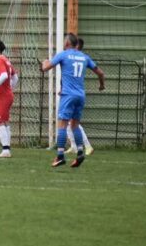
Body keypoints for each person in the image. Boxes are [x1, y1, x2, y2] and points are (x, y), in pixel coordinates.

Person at [41, 33, 105, 168]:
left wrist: (44, 62)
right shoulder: (84, 57)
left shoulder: (63, 55)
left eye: (65, 40)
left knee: (63, 125)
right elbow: (101, 73)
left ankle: (59, 156)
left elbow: (45, 68)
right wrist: (101, 85)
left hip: (68, 95)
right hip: (80, 95)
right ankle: (80, 153)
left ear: (68, 43)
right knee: (75, 125)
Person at [67, 37, 94, 156]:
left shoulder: (74, 58)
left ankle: (88, 146)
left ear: (77, 46)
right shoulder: (82, 58)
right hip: (74, 93)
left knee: (73, 123)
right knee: (67, 121)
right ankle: (73, 146)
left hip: (72, 94)